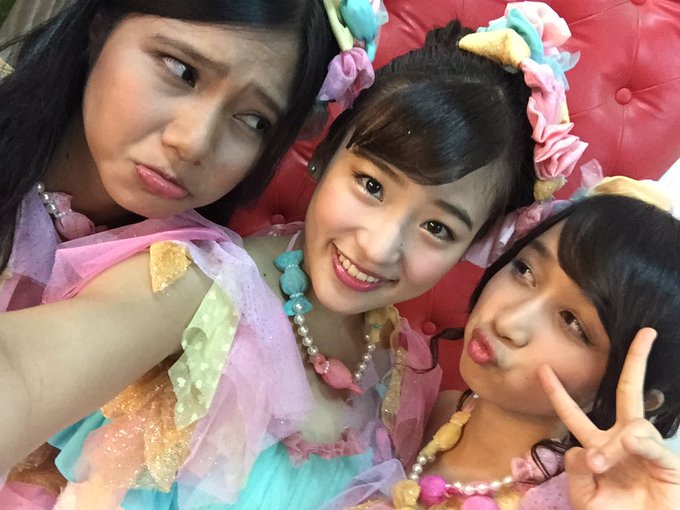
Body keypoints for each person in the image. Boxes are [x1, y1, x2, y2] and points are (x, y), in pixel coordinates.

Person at [0, 3, 586, 508]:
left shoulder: (404, 377)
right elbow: (24, 371)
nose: (378, 245)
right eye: (371, 185)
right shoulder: (202, 283)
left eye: (438, 227)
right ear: (323, 157)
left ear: (474, 248)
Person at [327, 183, 680, 510]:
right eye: (524, 270)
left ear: (639, 396)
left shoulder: (575, 501)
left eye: (573, 322)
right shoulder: (420, 407)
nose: (507, 322)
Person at [0, 0, 345, 312]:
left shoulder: (193, 283)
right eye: (182, 71)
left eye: (254, 121)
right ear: (102, 24)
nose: (194, 143)